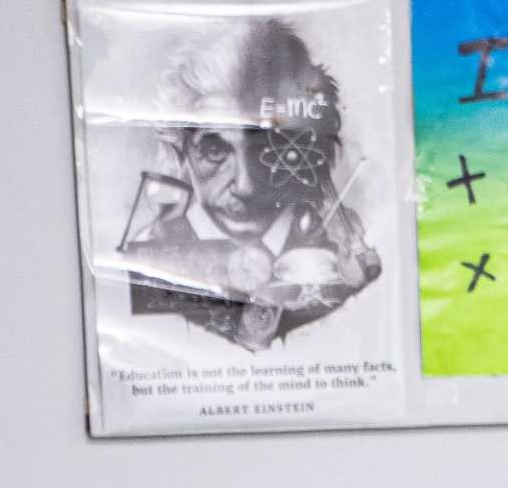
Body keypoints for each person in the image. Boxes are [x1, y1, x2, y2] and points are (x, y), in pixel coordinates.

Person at [114, 18, 381, 352]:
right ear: (178, 153)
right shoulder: (149, 261)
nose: (246, 186)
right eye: (214, 149)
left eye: (264, 146)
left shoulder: (339, 250)